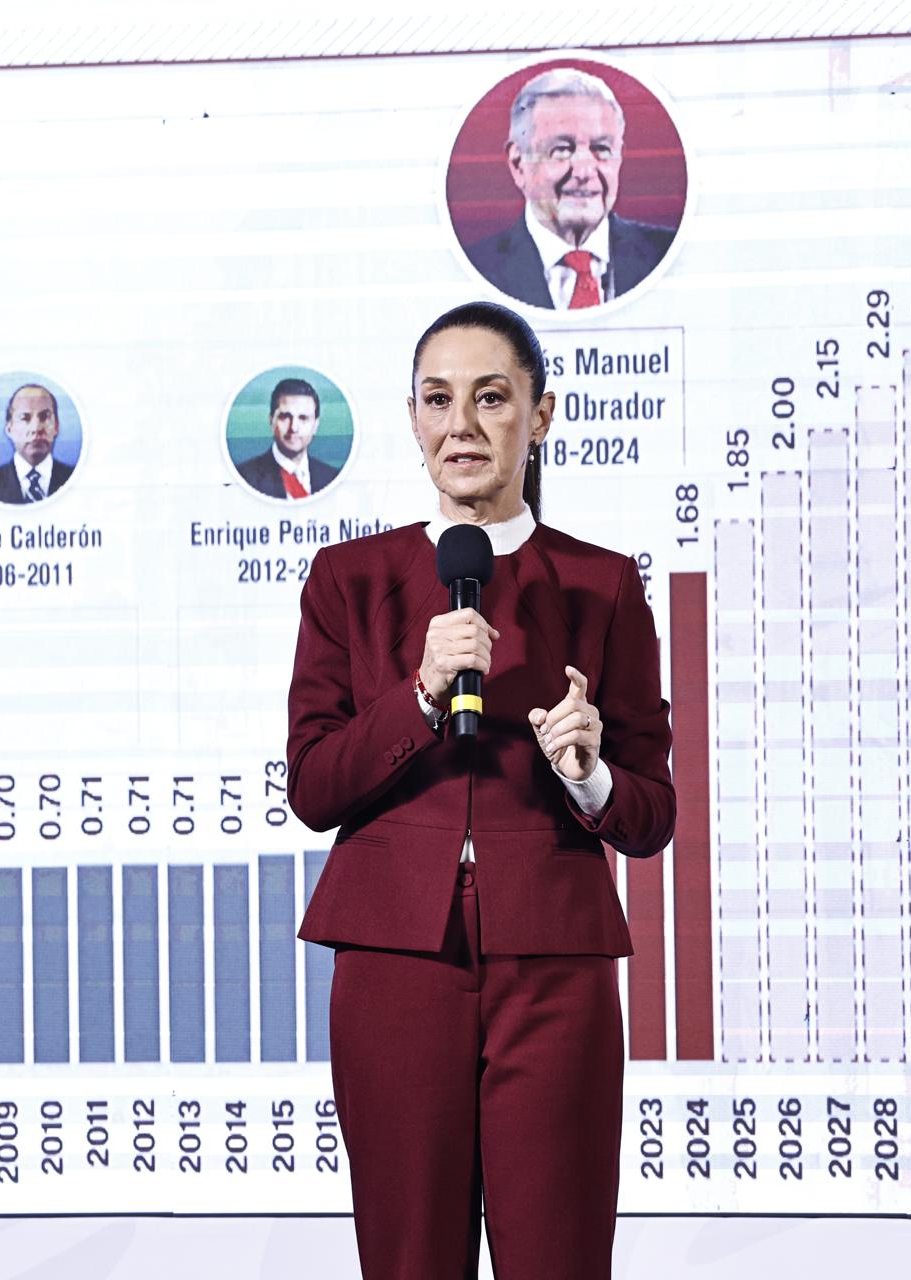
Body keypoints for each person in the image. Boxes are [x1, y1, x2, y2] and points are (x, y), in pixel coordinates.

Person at [287, 300, 674, 1279]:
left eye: (491, 397)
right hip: (393, 960)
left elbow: (652, 811)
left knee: (560, 1252)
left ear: (539, 415)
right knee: (410, 1255)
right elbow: (315, 784)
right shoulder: (349, 578)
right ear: (413, 418)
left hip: (556, 960)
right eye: (437, 399)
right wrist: (417, 695)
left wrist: (588, 776)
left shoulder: (603, 583)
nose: (460, 424)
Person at [462, 66, 674, 310]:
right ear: (518, 163)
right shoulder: (477, 270)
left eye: (602, 149)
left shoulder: (665, 255)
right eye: (561, 150)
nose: (584, 172)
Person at [234, 377, 342, 499]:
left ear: (315, 425)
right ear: (271, 421)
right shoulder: (243, 478)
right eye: (285, 417)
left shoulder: (334, 478)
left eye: (303, 418)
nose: (294, 428)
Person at [0, 383, 74, 503]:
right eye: (24, 418)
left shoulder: (78, 481)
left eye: (45, 416)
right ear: (9, 429)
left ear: (56, 427)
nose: (36, 428)